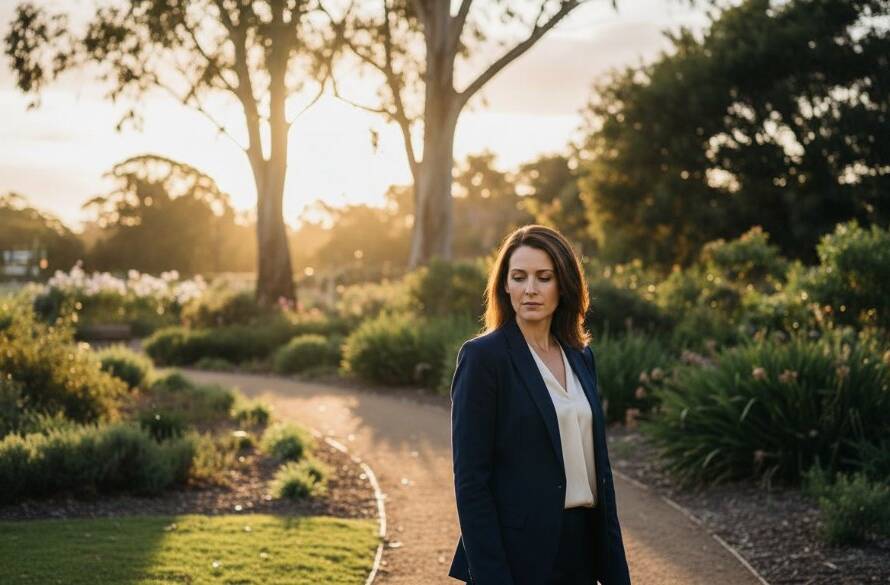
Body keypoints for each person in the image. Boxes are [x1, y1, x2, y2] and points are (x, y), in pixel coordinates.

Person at [447, 224, 632, 585]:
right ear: (505, 285)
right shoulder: (484, 358)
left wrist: (616, 572)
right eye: (519, 277)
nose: (530, 289)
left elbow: (600, 472)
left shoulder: (580, 355)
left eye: (543, 277)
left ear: (564, 284)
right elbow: (471, 482)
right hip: (517, 555)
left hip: (583, 549)